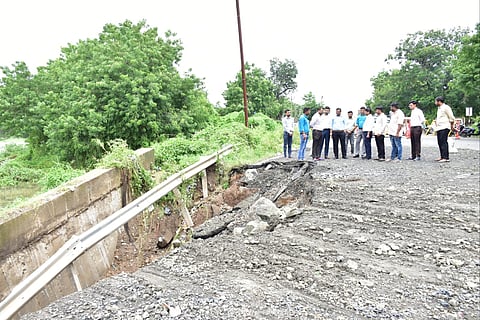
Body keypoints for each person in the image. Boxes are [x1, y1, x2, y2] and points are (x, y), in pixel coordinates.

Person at [434, 96, 455, 163]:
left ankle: (446, 157)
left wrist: (452, 126)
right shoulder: (439, 108)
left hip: (445, 126)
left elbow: (451, 117)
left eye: (436, 101)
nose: (435, 103)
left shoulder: (446, 107)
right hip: (439, 127)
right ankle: (442, 156)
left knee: (443, 142)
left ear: (439, 101)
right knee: (439, 142)